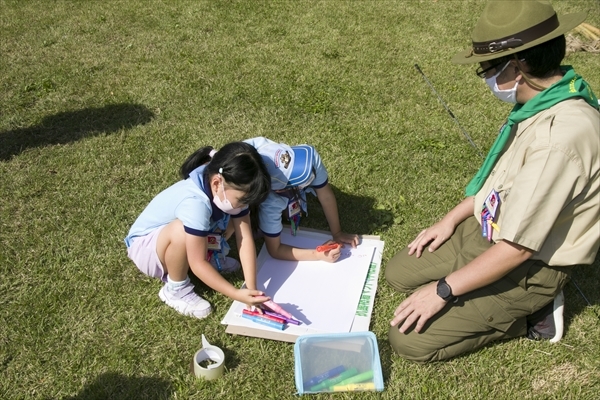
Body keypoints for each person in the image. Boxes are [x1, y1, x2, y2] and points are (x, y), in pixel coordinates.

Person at [385, 0, 599, 363]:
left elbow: (519, 248)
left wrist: (442, 291)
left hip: (529, 264)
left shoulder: (558, 140)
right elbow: (501, 180)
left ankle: (535, 312)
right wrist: (450, 220)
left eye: (486, 68)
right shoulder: (545, 98)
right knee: (398, 273)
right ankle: (474, 280)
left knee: (408, 342)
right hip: (490, 226)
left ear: (517, 68)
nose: (484, 76)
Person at [124, 142, 272, 319]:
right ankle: (175, 289)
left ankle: (213, 256)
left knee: (233, 217)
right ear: (217, 183)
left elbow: (245, 238)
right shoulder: (196, 204)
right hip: (147, 250)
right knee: (181, 232)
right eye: (241, 200)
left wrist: (251, 288)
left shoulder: (223, 183)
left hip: (171, 239)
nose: (244, 205)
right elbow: (197, 263)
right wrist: (235, 294)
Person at [243, 137, 359, 262]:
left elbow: (326, 196)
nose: (311, 175)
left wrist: (337, 233)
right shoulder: (271, 202)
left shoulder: (308, 159)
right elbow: (275, 250)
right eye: (298, 182)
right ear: (278, 190)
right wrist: (318, 255)